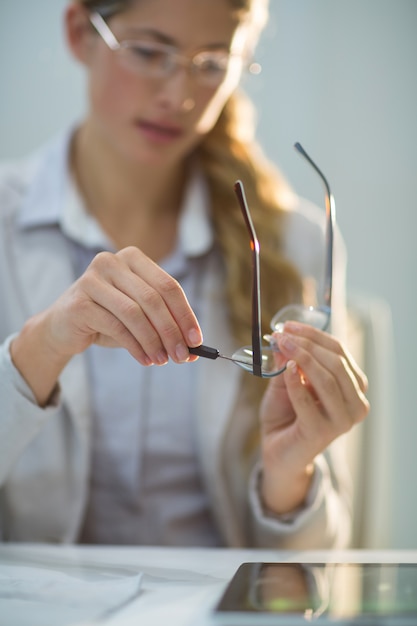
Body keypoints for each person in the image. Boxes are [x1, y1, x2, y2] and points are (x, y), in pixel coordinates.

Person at [0, 0, 369, 547]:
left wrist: (290, 475)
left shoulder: (296, 243)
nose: (180, 96)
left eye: (213, 63)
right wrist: (42, 343)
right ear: (80, 32)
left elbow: (303, 573)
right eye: (149, 52)